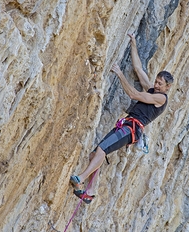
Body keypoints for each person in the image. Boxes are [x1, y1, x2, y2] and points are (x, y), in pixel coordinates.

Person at [69, 33, 174, 203]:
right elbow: (139, 69)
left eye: (160, 84)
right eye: (156, 81)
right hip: (126, 126)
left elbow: (133, 94)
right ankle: (89, 191)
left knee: (102, 149)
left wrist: (119, 73)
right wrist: (133, 43)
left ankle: (80, 178)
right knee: (96, 153)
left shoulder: (161, 98)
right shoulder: (153, 90)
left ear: (167, 87)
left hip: (131, 129)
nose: (156, 85)